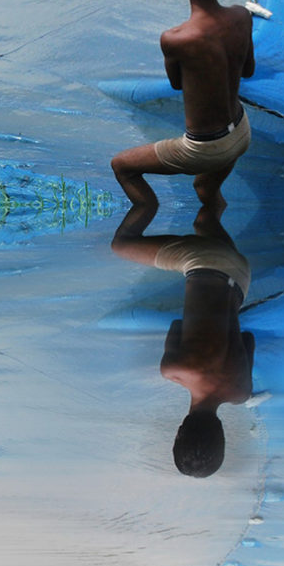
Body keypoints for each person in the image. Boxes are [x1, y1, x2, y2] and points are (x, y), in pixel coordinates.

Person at [111, 0, 255, 215]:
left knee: (122, 167)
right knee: (204, 189)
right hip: (241, 133)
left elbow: (176, 84)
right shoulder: (242, 17)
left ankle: (143, 229)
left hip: (204, 149)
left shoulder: (175, 39)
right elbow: (248, 70)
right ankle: (213, 241)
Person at [112, 205, 254, 478]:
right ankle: (145, 198)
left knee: (205, 220)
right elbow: (178, 326)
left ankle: (211, 182)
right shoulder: (175, 370)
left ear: (222, 436)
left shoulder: (241, 392)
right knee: (120, 244)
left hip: (241, 278)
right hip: (204, 264)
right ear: (178, 432)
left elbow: (247, 339)